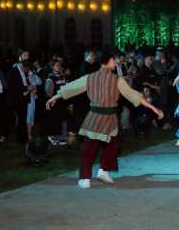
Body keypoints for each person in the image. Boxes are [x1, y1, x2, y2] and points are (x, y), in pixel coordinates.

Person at [46, 52, 164, 189]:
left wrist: (55, 97)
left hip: (100, 118)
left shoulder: (91, 78)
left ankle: (98, 173)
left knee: (105, 145)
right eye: (114, 61)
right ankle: (88, 177)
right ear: (108, 62)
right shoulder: (115, 79)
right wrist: (154, 108)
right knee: (95, 147)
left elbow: (72, 87)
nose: (116, 63)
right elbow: (134, 95)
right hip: (103, 117)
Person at [8, 59, 38, 163]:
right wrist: (26, 88)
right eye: (26, 69)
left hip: (25, 99)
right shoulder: (13, 72)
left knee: (23, 118)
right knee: (20, 119)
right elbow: (13, 86)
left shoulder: (24, 72)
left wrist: (30, 87)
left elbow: (26, 82)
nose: (27, 71)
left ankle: (24, 139)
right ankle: (22, 139)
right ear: (24, 67)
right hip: (17, 99)